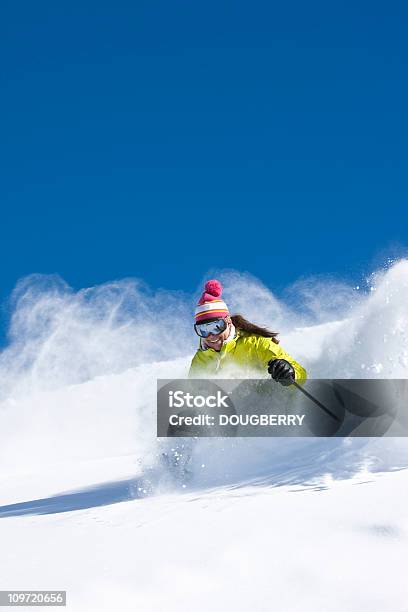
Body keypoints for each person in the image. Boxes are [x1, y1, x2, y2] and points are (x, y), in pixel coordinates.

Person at [189, 279, 307, 383]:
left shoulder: (255, 343)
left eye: (216, 326)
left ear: (228, 321)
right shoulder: (200, 360)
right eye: (203, 330)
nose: (211, 336)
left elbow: (301, 374)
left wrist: (291, 373)